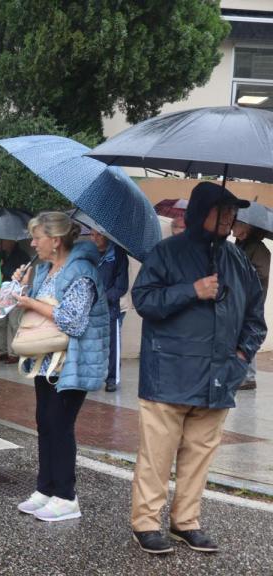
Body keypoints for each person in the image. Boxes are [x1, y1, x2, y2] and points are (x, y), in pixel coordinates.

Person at [130, 182, 266, 555]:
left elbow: (256, 319)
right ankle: (145, 522)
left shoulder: (238, 261)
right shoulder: (166, 253)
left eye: (232, 212)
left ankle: (185, 522)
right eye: (220, 210)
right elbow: (144, 300)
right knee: (156, 457)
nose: (229, 217)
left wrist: (241, 359)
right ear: (199, 211)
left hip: (219, 379)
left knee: (199, 457)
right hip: (168, 375)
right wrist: (192, 290)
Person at [5, 213, 110, 520]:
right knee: (45, 423)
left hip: (71, 362)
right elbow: (42, 311)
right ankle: (45, 487)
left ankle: (66, 496)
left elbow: (72, 320)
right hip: (47, 361)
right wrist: (23, 289)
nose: (33, 243)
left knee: (60, 426)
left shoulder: (82, 271)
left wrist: (32, 303)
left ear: (56, 240)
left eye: (37, 237)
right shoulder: (45, 268)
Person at [88, 230, 129, 392]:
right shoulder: (88, 254)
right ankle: (92, 377)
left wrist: (103, 299)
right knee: (91, 344)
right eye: (92, 234)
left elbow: (121, 286)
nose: (95, 238)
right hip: (90, 308)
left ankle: (112, 379)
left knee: (112, 345)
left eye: (99, 235)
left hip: (110, 308)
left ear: (107, 236)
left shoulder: (118, 254)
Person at [232, 220, 269, 391]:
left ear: (246, 227)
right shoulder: (240, 245)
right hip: (239, 297)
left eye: (236, 224)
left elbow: (260, 275)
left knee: (249, 333)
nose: (232, 227)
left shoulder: (259, 249)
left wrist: (239, 271)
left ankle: (249, 377)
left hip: (252, 300)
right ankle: (242, 374)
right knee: (239, 333)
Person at [0, 239, 29, 364]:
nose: (2, 243)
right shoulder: (0, 254)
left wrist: (3, 268)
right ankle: (2, 351)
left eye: (5, 241)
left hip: (15, 292)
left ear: (13, 241)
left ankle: (15, 353)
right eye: (1, 241)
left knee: (14, 323)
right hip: (1, 293)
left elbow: (20, 274)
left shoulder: (22, 255)